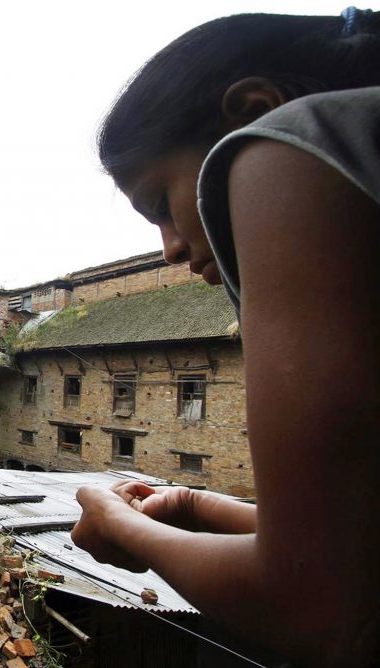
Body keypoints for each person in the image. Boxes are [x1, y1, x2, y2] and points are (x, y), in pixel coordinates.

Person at [70, 9, 380, 666]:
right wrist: (199, 507)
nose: (172, 250)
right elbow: (359, 552)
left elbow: (319, 608)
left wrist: (122, 526)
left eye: (160, 204)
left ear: (253, 109)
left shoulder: (284, 144)